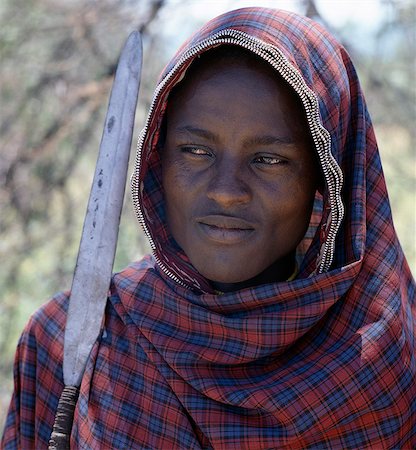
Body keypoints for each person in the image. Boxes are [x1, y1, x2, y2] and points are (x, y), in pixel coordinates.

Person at [2, 7, 415, 449]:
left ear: (326, 178)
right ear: (158, 162)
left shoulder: (390, 360)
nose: (225, 191)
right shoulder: (69, 342)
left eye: (269, 160)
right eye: (196, 151)